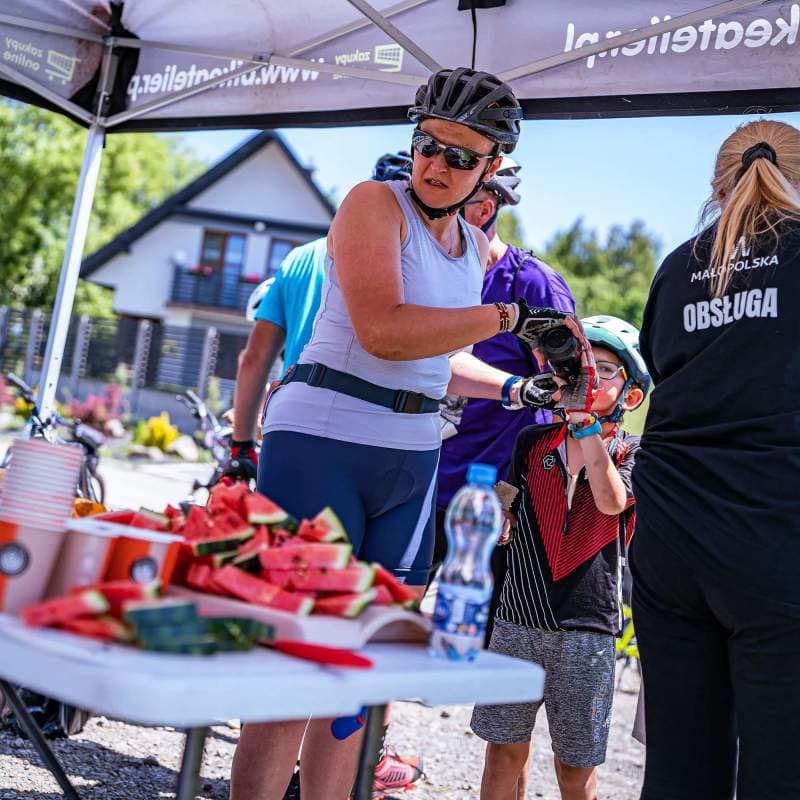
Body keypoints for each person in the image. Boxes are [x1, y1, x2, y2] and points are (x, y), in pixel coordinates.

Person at [229, 66, 569, 800]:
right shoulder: (372, 203)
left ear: (493, 168)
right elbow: (383, 332)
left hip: (412, 455)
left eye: (460, 156)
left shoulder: (473, 251)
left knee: (362, 677)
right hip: (322, 441)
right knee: (297, 663)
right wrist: (510, 319)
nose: (437, 165)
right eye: (428, 145)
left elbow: (434, 359)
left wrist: (516, 385)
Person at [226, 154, 429, 798]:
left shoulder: (303, 255)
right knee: (348, 660)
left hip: (318, 435)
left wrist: (241, 441)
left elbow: (257, 354)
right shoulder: (421, 254)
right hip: (347, 438)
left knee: (312, 651)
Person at [630, 119, 800, 800]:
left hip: (671, 538)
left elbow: (660, 381)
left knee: (677, 772)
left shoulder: (677, 265)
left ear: (716, 186)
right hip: (772, 535)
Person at [471, 315, 650, 800]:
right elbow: (505, 507)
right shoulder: (532, 442)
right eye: (577, 368)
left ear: (631, 395)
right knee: (503, 753)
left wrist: (586, 425)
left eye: (605, 370)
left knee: (575, 768)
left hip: (587, 630)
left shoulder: (634, 452)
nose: (586, 378)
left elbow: (613, 501)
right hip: (517, 619)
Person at [433, 155, 575, 639]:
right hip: (420, 475)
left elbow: (569, 388)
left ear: (490, 206)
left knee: (476, 642)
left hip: (490, 493)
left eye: (479, 200)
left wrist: (525, 492)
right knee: (385, 620)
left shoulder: (531, 282)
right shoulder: (432, 272)